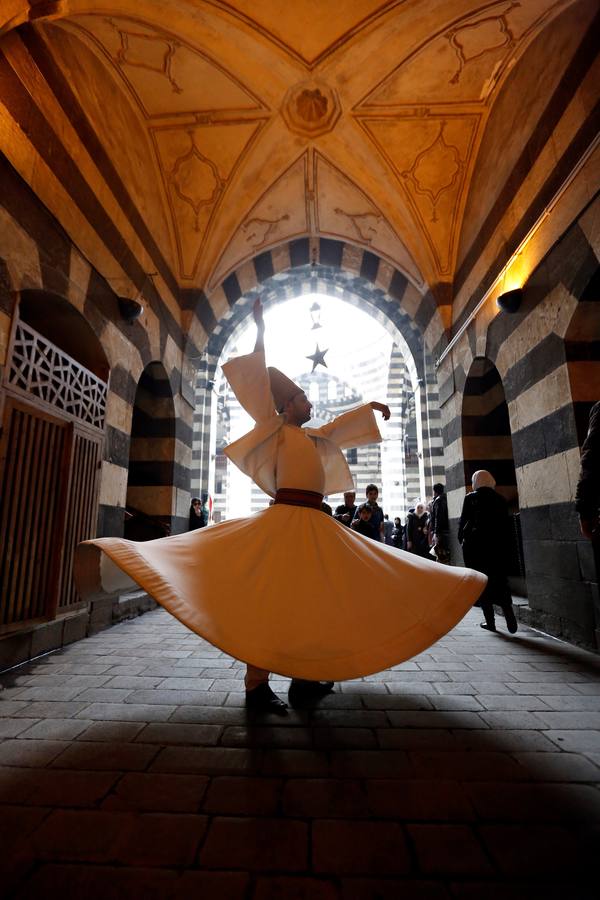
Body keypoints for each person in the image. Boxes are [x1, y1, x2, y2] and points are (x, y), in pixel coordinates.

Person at [75, 298, 486, 715]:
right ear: (287, 406)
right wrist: (260, 331)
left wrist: (372, 407)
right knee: (271, 602)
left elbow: (341, 426)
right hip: (284, 521)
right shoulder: (273, 430)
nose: (310, 404)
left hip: (315, 524)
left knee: (312, 601)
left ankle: (306, 676)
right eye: (304, 399)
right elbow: (257, 381)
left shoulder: (315, 437)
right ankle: (257, 686)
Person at [458, 469, 518, 634]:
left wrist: (463, 542)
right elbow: (506, 526)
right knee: (500, 582)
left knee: (482, 584)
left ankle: (490, 622)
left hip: (477, 548)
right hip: (497, 548)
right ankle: (510, 619)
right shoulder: (500, 499)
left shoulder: (471, 498)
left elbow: (463, 523)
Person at [430, 483, 450, 563]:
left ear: (435, 491)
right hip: (446, 530)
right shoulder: (446, 498)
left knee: (440, 554)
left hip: (441, 532)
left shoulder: (438, 500)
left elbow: (438, 517)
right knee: (444, 553)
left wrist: (436, 533)